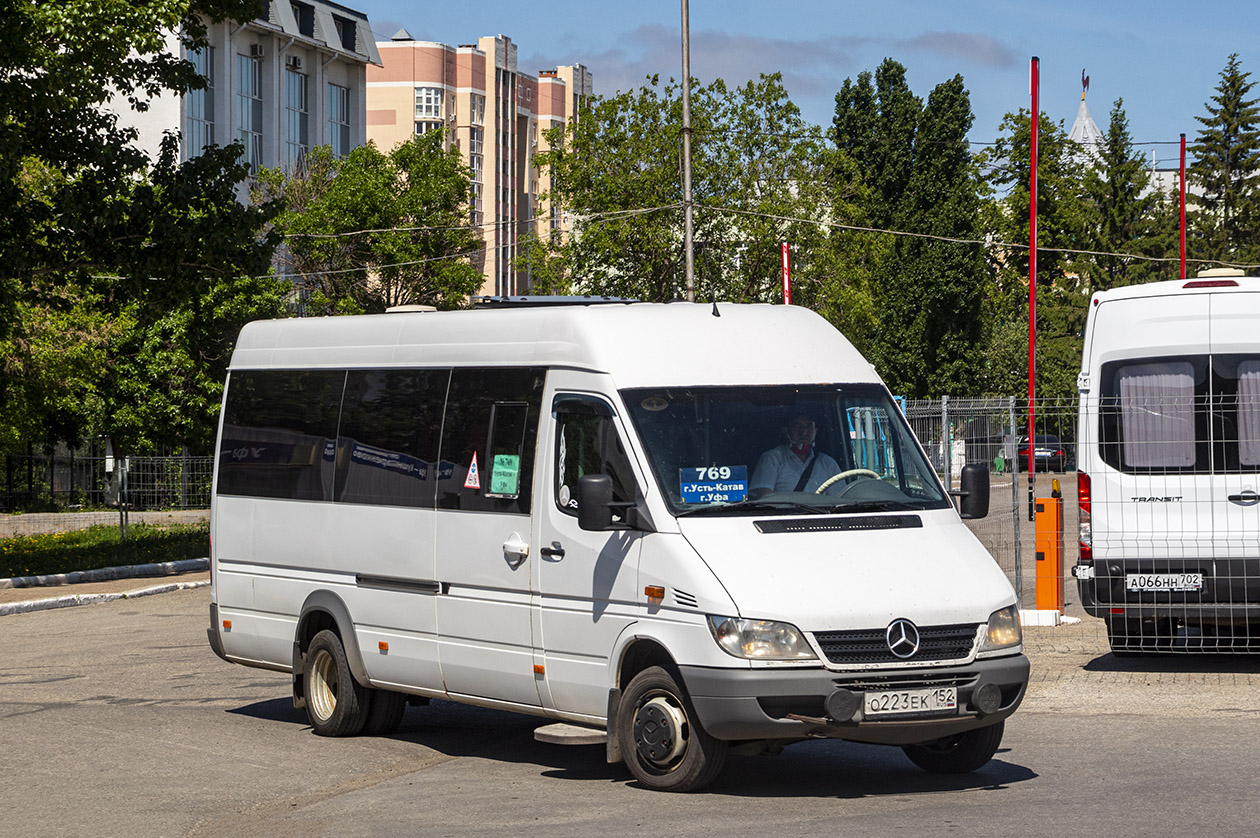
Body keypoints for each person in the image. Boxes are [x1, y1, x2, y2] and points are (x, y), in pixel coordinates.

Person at [749, 413, 845, 498]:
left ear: (816, 431)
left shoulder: (827, 463)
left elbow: (840, 500)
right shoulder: (771, 459)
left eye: (809, 426)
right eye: (797, 426)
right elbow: (764, 499)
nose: (803, 432)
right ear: (786, 431)